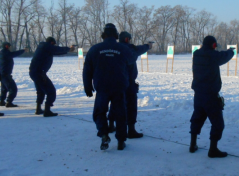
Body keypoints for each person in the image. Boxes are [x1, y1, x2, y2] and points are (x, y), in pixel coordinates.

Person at [83, 23, 134, 151]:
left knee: (100, 112)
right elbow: (132, 63)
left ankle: (104, 134)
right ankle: (121, 141)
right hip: (119, 86)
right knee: (120, 113)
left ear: (103, 35)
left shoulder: (95, 49)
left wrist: (87, 86)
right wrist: (129, 82)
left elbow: (87, 70)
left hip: (102, 87)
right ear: (116, 35)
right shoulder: (123, 48)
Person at [190, 35, 234, 158]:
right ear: (213, 45)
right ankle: (213, 150)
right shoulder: (213, 55)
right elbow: (225, 56)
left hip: (198, 94)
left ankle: (192, 144)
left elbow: (210, 54)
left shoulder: (197, 54)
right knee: (218, 123)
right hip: (210, 95)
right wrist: (230, 50)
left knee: (197, 118)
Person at [107, 31, 152, 138]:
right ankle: (131, 130)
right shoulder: (129, 49)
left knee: (115, 103)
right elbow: (139, 49)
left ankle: (110, 125)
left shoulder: (114, 48)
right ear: (127, 39)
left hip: (115, 81)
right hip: (128, 82)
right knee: (131, 105)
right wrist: (148, 46)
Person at [29, 37, 75, 117]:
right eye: (54, 44)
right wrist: (68, 49)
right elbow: (57, 49)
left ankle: (38, 108)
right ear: (51, 43)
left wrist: (68, 51)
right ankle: (47, 111)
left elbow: (56, 52)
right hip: (39, 73)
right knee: (51, 91)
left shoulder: (43, 47)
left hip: (35, 72)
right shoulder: (46, 46)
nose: (54, 45)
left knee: (41, 90)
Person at [0, 42, 26, 107]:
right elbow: (14, 54)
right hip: (5, 74)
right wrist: (23, 50)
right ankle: (9, 102)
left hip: (3, 73)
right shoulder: (5, 52)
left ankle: (2, 101)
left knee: (4, 88)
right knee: (13, 89)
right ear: (6, 46)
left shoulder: (1, 52)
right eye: (9, 46)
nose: (10, 47)